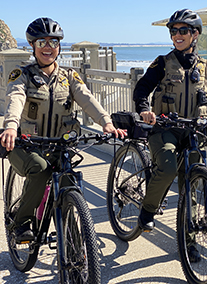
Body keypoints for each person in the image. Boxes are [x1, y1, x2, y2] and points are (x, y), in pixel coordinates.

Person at [0, 17, 126, 243]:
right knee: (40, 170)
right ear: (32, 46)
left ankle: (73, 239)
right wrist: (10, 126)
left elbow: (86, 98)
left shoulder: (69, 77)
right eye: (42, 43)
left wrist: (106, 122)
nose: (48, 47)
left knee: (69, 179)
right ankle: (21, 222)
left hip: (60, 143)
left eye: (53, 42)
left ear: (59, 46)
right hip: (27, 144)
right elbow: (15, 99)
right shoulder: (23, 75)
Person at [133, 9, 207, 262]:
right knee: (169, 166)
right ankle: (147, 211)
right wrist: (145, 110)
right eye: (174, 31)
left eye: (183, 30)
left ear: (195, 34)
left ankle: (190, 241)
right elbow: (141, 90)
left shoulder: (205, 68)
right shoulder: (162, 62)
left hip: (193, 132)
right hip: (165, 130)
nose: (177, 35)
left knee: (191, 187)